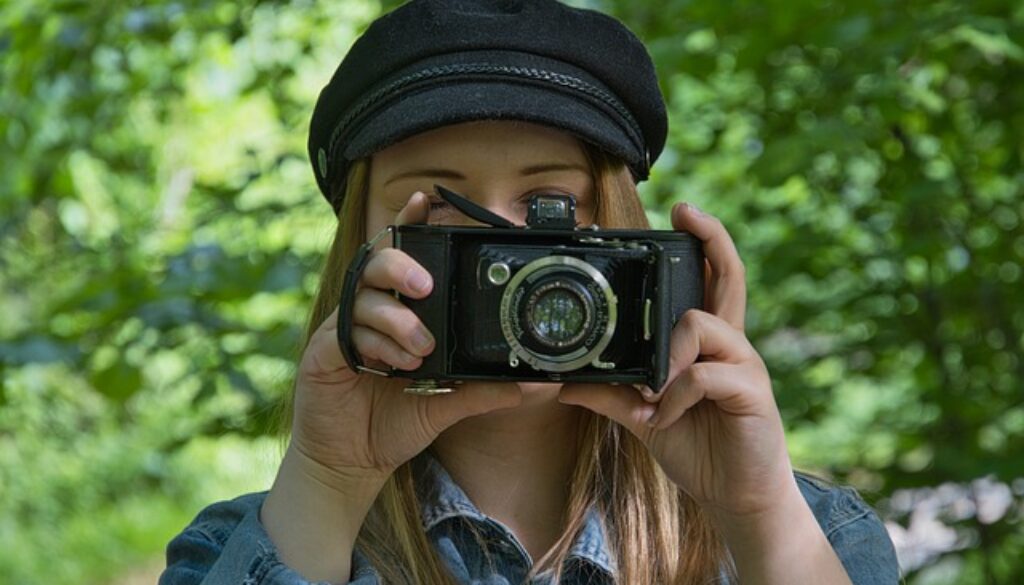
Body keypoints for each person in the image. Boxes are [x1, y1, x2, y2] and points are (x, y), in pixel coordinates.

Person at [160, 0, 900, 583]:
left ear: (628, 243)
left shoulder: (810, 534)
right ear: (360, 249)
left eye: (553, 204)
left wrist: (755, 509)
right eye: (440, 207)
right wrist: (329, 481)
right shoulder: (247, 546)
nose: (510, 253)